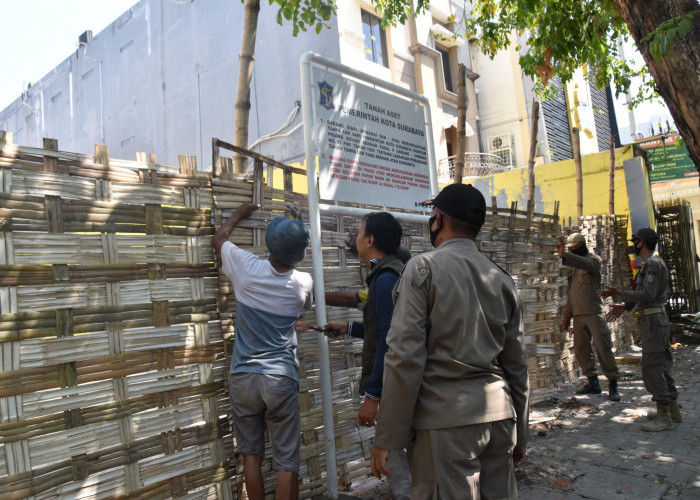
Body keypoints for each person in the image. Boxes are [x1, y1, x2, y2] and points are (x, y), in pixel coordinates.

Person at [370, 184, 529, 499]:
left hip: (446, 425)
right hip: (499, 418)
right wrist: (520, 432)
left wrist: (386, 438)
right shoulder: (502, 279)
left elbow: (404, 357)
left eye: (433, 214)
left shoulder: (422, 270)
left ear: (438, 220)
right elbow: (517, 364)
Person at [211, 202, 313, 500]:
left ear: (270, 245)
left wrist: (238, 214)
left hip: (243, 377)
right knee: (286, 462)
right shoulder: (303, 283)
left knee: (251, 456)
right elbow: (304, 311)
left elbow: (218, 240)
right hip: (280, 378)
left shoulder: (246, 268)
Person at [323, 212, 412, 500]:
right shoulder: (391, 272)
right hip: (403, 380)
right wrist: (348, 327)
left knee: (394, 458)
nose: (356, 237)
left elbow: (389, 340)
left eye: (359, 232)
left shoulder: (386, 280)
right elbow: (382, 328)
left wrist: (372, 397)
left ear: (370, 240)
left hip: (393, 386)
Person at [600, 227, 680, 432]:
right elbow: (646, 295)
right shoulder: (652, 263)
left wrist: (619, 292)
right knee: (662, 365)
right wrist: (625, 306)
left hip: (653, 321)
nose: (633, 245)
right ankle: (671, 409)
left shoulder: (652, 264)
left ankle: (665, 417)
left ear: (641, 242)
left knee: (652, 368)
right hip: (655, 319)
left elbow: (648, 294)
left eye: (635, 241)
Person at [557, 232, 621, 401]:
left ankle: (613, 384)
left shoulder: (594, 260)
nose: (573, 252)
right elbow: (572, 293)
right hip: (578, 314)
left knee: (603, 348)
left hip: (594, 312)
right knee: (581, 350)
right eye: (570, 250)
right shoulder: (573, 268)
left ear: (582, 246)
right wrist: (567, 316)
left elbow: (586, 264)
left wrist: (566, 255)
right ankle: (593, 382)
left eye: (574, 249)